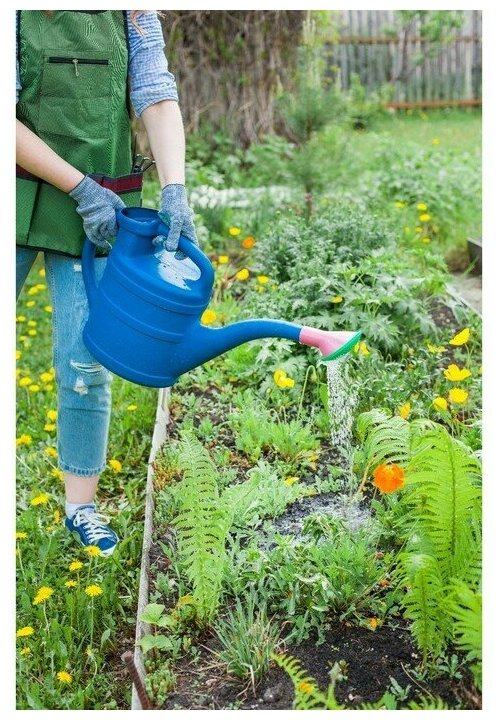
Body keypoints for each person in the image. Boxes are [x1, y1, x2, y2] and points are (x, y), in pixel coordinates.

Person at [16, 9, 198, 556]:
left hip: (102, 209)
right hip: (18, 189)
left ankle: (82, 508)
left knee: (86, 359)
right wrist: (78, 186)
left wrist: (176, 189)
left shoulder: (132, 12)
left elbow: (155, 91)